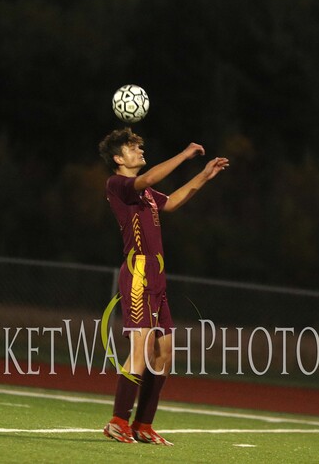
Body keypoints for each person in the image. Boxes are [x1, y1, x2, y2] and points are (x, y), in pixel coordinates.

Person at [97, 127, 229, 445]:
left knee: (164, 353)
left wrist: (204, 175)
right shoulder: (118, 184)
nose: (140, 151)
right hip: (138, 274)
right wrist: (184, 155)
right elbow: (149, 178)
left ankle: (143, 424)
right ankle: (118, 421)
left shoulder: (145, 194)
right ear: (118, 158)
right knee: (141, 350)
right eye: (133, 148)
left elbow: (172, 201)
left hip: (157, 278)